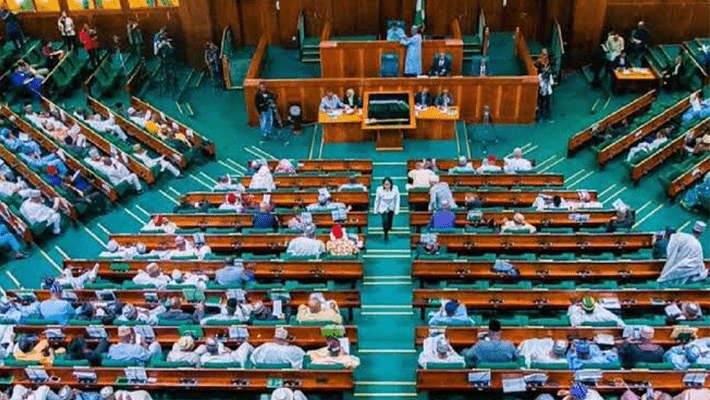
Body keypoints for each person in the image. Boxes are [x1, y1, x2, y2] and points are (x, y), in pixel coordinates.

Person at [657, 221, 709, 286]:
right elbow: (697, 263)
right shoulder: (697, 245)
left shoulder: (682, 237)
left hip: (677, 268)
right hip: (689, 272)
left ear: (692, 230)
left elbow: (671, 249)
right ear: (701, 234)